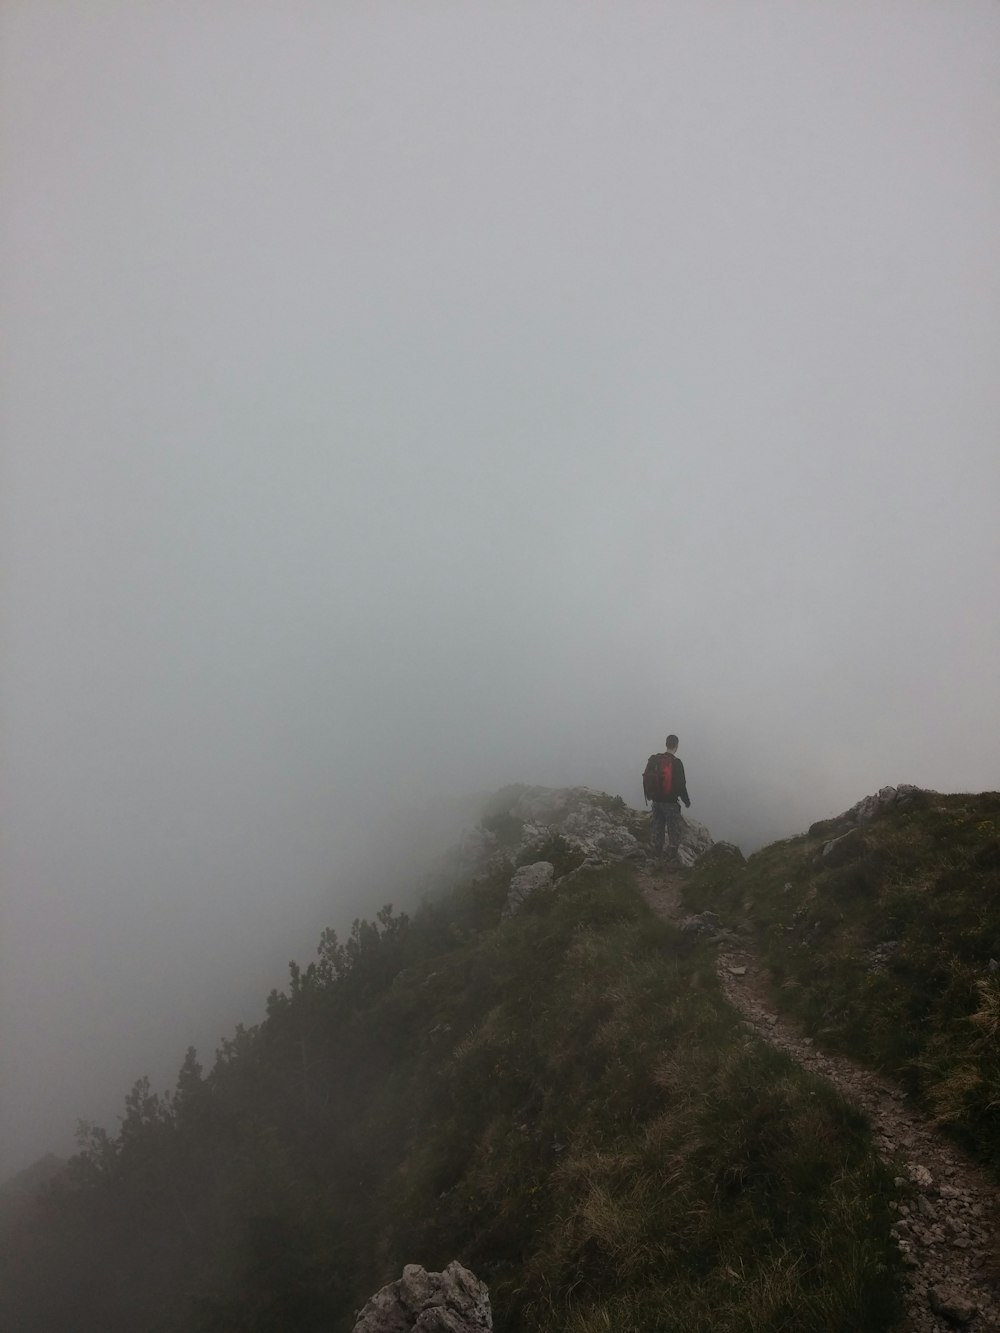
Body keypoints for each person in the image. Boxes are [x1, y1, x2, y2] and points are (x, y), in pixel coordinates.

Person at [642, 734, 691, 861]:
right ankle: (671, 861)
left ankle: (657, 859)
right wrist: (686, 801)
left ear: (666, 744)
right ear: (676, 746)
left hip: (656, 801)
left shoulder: (655, 760)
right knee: (673, 832)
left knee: (658, 829)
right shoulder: (676, 763)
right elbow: (681, 785)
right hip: (670, 804)